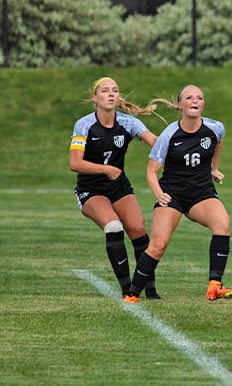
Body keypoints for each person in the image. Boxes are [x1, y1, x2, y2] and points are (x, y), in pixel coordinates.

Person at [124, 85, 232, 303]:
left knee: (223, 224)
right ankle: (132, 293)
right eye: (189, 97)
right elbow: (151, 171)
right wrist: (159, 194)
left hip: (201, 193)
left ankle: (215, 285)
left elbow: (219, 143)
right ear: (180, 105)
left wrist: (214, 168)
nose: (195, 100)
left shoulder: (215, 128)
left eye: (200, 97)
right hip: (172, 193)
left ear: (203, 104)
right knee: (158, 244)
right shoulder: (169, 135)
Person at [69, 77, 160, 298]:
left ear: (119, 97)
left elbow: (157, 143)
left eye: (115, 90)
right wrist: (104, 169)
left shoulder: (128, 123)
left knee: (138, 229)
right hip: (90, 189)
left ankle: (151, 290)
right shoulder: (84, 124)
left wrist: (183, 144)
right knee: (113, 226)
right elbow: (75, 163)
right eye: (105, 91)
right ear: (95, 97)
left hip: (118, 186)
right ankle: (127, 289)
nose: (111, 94)